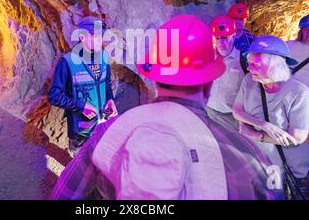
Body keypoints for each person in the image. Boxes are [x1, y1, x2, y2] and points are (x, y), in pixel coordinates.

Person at [51, 15, 285, 200]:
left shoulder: (109, 135)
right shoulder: (252, 157)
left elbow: (65, 194)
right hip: (81, 125)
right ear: (209, 85)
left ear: (154, 79)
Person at [233, 35, 309, 199]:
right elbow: (237, 110)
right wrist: (264, 125)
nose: (249, 68)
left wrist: (257, 135)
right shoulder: (249, 81)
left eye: (255, 64)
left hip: (287, 165)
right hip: (258, 160)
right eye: (249, 63)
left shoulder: (299, 92)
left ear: (274, 65)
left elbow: (297, 137)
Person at [48, 16, 118, 157]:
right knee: (81, 167)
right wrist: (81, 106)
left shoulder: (103, 58)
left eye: (101, 36)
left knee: (101, 162)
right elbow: (54, 96)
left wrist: (110, 100)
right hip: (81, 131)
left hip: (102, 125)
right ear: (82, 37)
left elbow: (106, 83)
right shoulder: (67, 62)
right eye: (94, 36)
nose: (100, 40)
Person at [206, 16, 244, 131]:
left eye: (224, 37)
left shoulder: (243, 62)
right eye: (217, 38)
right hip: (207, 111)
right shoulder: (207, 58)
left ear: (233, 35)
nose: (221, 42)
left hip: (229, 117)